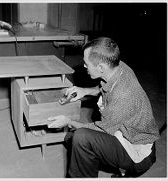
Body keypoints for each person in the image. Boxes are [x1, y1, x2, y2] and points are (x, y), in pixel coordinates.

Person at [47, 37, 160, 178]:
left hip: (138, 150)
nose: (84, 66)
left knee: (81, 138)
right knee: (71, 138)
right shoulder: (119, 67)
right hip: (125, 131)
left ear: (101, 68)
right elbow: (105, 86)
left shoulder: (123, 96)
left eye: (86, 63)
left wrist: (68, 121)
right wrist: (85, 90)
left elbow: (100, 129)